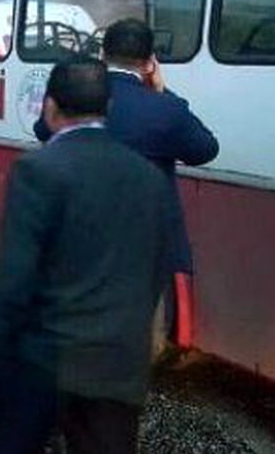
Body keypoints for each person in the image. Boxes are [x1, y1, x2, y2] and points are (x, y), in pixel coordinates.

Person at [0, 57, 176, 454]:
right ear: (109, 110)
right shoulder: (148, 178)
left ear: (48, 108)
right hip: (117, 367)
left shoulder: (38, 170)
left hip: (41, 365)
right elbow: (156, 271)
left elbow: (12, 279)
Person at [34, 19, 217, 278]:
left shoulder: (74, 97)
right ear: (150, 63)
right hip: (145, 257)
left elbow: (42, 129)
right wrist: (163, 92)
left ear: (101, 55)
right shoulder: (166, 109)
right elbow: (205, 150)